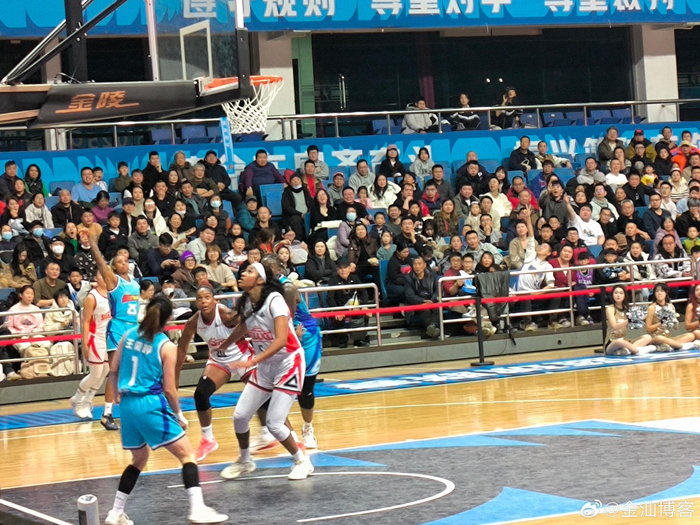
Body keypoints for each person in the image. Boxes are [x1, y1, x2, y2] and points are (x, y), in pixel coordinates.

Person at [105, 296, 227, 525]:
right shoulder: (166, 346)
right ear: (169, 318)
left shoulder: (127, 335)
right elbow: (170, 390)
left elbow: (113, 369)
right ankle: (197, 509)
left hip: (128, 407)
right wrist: (179, 415)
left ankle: (115, 512)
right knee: (187, 455)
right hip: (149, 403)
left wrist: (117, 393)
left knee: (139, 458)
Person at [216, 263, 313, 481]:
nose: (243, 273)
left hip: (289, 362)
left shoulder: (275, 300)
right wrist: (225, 345)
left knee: (274, 423)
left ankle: (302, 461)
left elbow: (281, 340)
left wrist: (253, 360)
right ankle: (245, 460)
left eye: (249, 271)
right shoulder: (247, 302)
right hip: (266, 365)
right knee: (240, 416)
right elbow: (244, 327)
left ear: (260, 279)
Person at [264, 255, 323, 448]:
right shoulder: (264, 288)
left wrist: (293, 336)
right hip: (282, 335)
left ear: (278, 269)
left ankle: (308, 429)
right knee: (272, 386)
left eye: (268, 267)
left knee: (305, 390)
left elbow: (288, 317)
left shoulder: (287, 288)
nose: (264, 271)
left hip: (304, 335)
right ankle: (288, 434)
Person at [87, 230, 141, 432]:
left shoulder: (134, 283)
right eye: (119, 261)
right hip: (117, 328)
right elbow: (101, 262)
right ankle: (107, 413)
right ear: (114, 267)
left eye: (125, 260)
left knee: (134, 370)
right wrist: (93, 243)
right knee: (115, 371)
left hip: (133, 328)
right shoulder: (113, 281)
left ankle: (132, 409)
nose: (124, 262)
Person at [69, 273, 110, 419]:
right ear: (96, 278)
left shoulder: (112, 294)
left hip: (109, 338)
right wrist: (85, 343)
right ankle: (77, 399)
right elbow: (86, 321)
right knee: (95, 373)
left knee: (105, 371)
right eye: (101, 275)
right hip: (95, 338)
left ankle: (88, 401)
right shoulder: (92, 297)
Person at [645, 282, 695, 350]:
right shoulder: (652, 308)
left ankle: (670, 346)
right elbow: (648, 328)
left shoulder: (671, 306)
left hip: (668, 337)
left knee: (691, 335)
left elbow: (675, 328)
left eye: (662, 291)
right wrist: (660, 323)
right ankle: (680, 346)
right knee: (660, 338)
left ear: (666, 293)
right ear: (654, 293)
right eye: (657, 291)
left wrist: (674, 322)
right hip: (656, 337)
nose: (659, 293)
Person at [404, 255, 440, 339]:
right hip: (417, 303)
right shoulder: (408, 278)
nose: (417, 266)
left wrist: (431, 300)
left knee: (437, 308)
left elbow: (438, 290)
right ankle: (433, 329)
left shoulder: (433, 274)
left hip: (432, 301)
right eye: (415, 264)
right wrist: (424, 301)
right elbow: (410, 296)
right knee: (425, 310)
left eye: (419, 264)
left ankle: (431, 328)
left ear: (424, 265)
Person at [281, 172, 312, 241]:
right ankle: (299, 240)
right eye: (293, 180)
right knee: (296, 220)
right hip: (294, 215)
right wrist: (300, 214)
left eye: (297, 179)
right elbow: (287, 207)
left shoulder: (305, 191)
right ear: (290, 182)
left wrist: (308, 213)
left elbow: (311, 203)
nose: (296, 181)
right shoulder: (286, 193)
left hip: (306, 213)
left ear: (301, 181)